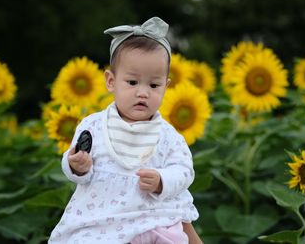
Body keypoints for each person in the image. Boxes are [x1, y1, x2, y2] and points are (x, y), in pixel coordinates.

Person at [48, 17, 203, 244]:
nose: (143, 93)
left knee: (173, 237)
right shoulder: (93, 126)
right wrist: (77, 166)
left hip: (153, 217)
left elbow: (184, 170)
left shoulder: (168, 135)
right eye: (132, 82)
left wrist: (162, 180)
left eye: (153, 85)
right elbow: (77, 163)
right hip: (100, 218)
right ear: (111, 81)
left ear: (166, 86)